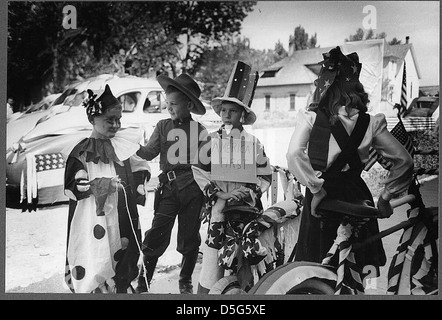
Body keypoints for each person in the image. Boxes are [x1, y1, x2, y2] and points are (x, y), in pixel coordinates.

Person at [286, 46, 414, 292]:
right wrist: (386, 198)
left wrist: (316, 187)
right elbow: (404, 161)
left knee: (315, 267)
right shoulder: (370, 122)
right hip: (357, 195)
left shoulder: (311, 118)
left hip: (323, 198)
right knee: (358, 270)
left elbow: (293, 154)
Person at [191, 61, 273, 294]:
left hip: (245, 208)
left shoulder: (253, 143)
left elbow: (265, 174)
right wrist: (221, 194)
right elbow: (199, 170)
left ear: (243, 115)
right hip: (219, 207)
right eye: (224, 110)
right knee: (213, 259)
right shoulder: (211, 140)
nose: (227, 115)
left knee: (243, 258)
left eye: (233, 110)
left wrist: (250, 191)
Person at [64, 84, 151, 293]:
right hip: (92, 217)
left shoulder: (122, 146)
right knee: (96, 250)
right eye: (109, 120)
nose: (115, 125)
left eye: (118, 120)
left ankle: (120, 285)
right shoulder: (81, 152)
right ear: (93, 119)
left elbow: (141, 168)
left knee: (123, 246)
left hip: (121, 214)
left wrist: (139, 182)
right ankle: (97, 286)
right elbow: (72, 187)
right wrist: (104, 185)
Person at [134, 73, 207, 294]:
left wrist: (205, 197)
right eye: (167, 104)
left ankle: (185, 281)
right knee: (156, 233)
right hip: (168, 190)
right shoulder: (162, 126)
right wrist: (131, 145)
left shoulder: (200, 130)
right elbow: (148, 153)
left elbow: (206, 166)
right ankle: (143, 282)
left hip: (193, 190)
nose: (169, 108)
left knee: (189, 237)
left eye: (174, 104)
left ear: (188, 104)